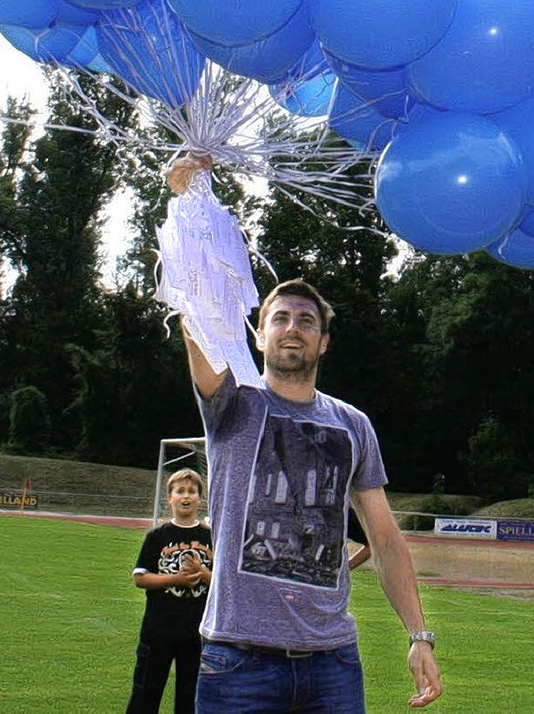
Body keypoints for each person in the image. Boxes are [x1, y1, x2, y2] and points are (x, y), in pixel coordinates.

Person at [166, 156, 443, 713]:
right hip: (237, 662)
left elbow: (384, 538)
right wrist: (186, 206)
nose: (294, 327)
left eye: (307, 321)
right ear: (260, 335)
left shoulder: (352, 424)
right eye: (280, 318)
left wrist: (419, 635)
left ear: (323, 344)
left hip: (333, 663)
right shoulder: (233, 403)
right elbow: (196, 312)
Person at [126, 468, 213, 714]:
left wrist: (201, 573)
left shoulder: (211, 537)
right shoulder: (157, 535)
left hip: (196, 632)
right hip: (158, 629)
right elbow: (141, 578)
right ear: (170, 498)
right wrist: (177, 578)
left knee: (190, 697)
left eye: (192, 491)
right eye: (180, 491)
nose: (186, 496)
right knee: (145, 693)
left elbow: (222, 583)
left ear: (199, 498)